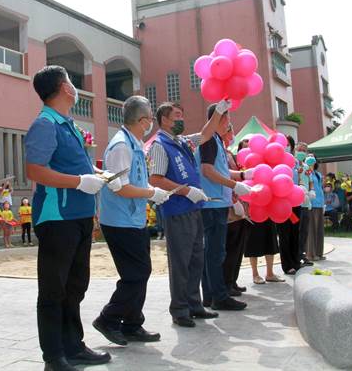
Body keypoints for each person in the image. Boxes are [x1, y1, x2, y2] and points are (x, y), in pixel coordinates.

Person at [25, 65, 118, 371]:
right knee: (54, 289)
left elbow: (72, 165)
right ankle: (54, 357)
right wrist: (79, 182)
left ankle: (73, 346)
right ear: (64, 88)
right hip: (57, 218)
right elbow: (35, 170)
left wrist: (95, 175)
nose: (73, 87)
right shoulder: (45, 124)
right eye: (71, 81)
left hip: (79, 216)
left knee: (76, 285)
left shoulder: (69, 125)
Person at [92, 96, 169, 346]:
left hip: (133, 219)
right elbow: (119, 188)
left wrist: (152, 192)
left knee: (140, 272)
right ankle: (108, 318)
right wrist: (150, 193)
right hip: (119, 221)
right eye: (150, 117)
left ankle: (132, 324)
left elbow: (135, 180)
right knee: (135, 274)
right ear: (142, 120)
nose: (151, 123)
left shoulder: (135, 143)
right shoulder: (121, 146)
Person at [147, 101, 224, 328]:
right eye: (177, 115)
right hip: (177, 210)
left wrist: (218, 111)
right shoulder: (159, 146)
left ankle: (194, 305)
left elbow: (206, 134)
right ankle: (179, 309)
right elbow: (155, 179)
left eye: (182, 115)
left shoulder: (183, 142)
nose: (181, 119)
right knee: (180, 261)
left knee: (195, 259)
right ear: (164, 120)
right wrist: (186, 190)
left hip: (192, 209)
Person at [197, 103, 253, 311]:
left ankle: (210, 296)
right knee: (215, 252)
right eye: (227, 119)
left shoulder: (217, 141)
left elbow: (221, 170)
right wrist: (234, 185)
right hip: (212, 203)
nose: (229, 124)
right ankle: (219, 296)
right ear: (219, 119)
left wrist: (244, 176)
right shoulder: (209, 140)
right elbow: (207, 171)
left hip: (218, 202)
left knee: (212, 251)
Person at [222, 127, 253, 295]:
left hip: (240, 207)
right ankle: (226, 282)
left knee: (238, 248)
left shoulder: (229, 153)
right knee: (230, 248)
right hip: (229, 207)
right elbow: (225, 177)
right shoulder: (220, 153)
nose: (232, 135)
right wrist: (234, 200)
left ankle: (233, 280)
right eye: (229, 131)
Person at [277, 135, 302, 275]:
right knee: (284, 233)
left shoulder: (296, 162)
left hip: (295, 200)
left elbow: (300, 179)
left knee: (295, 232)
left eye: (288, 144)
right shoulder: (277, 160)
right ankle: (287, 265)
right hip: (281, 202)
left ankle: (296, 261)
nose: (286, 146)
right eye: (284, 144)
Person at [294, 142, 314, 267]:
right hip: (295, 203)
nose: (301, 152)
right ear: (295, 150)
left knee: (304, 231)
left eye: (304, 150)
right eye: (299, 149)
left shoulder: (307, 167)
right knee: (296, 231)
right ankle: (295, 257)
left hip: (306, 202)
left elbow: (310, 181)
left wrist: (312, 190)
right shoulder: (292, 165)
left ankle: (303, 255)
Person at [307, 160, 326, 261]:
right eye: (308, 157)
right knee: (311, 229)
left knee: (319, 230)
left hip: (319, 203)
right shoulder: (306, 172)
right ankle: (311, 254)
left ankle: (319, 252)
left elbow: (320, 189)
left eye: (312, 157)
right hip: (311, 203)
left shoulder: (318, 174)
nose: (310, 159)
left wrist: (323, 204)